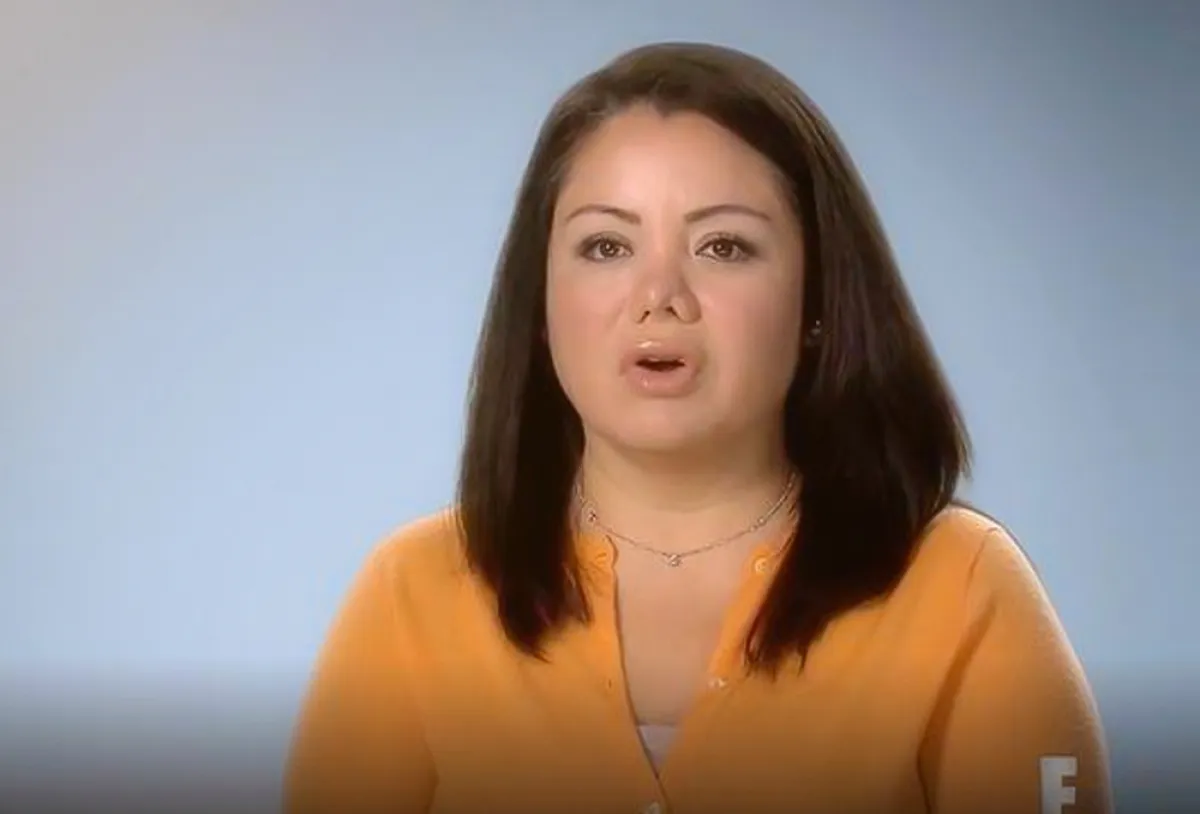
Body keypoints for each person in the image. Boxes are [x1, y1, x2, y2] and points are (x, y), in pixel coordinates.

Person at [282, 42, 1113, 814]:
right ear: (539, 304)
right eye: (605, 246)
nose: (660, 297)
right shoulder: (412, 592)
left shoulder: (961, 587)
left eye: (723, 247)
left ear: (818, 301)